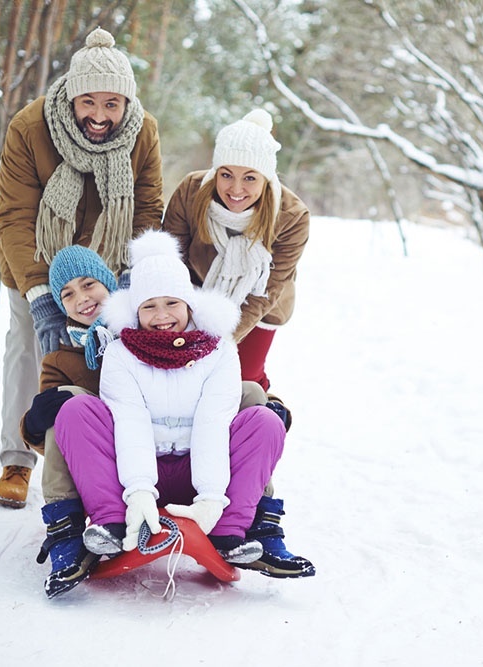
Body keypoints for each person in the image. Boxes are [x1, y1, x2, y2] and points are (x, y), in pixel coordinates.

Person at [51, 231, 313, 599]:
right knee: (75, 409)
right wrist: (139, 493)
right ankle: (111, 524)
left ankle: (229, 530)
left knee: (264, 419)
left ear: (189, 304)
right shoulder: (120, 354)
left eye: (171, 303)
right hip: (137, 475)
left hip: (199, 471)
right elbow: (129, 421)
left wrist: (211, 497)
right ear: (135, 310)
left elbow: (213, 421)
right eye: (149, 306)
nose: (161, 316)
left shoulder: (218, 350)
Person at [0, 27, 164, 509]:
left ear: (127, 102)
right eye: (89, 102)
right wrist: (40, 295)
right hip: (36, 258)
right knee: (29, 345)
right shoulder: (31, 126)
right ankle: (17, 459)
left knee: (111, 355)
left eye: (112, 104)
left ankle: (101, 460)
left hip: (108, 265)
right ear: (71, 96)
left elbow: (148, 207)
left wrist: (129, 277)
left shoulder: (143, 132)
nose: (100, 116)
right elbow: (14, 215)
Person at [162, 110, 314, 579]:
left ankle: (261, 514)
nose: (236, 188)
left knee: (243, 390)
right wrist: (184, 330)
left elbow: (266, 292)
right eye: (226, 174)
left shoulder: (291, 216)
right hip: (193, 298)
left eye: (250, 178)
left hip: (257, 308)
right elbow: (170, 264)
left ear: (266, 179)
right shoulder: (191, 192)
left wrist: (218, 341)